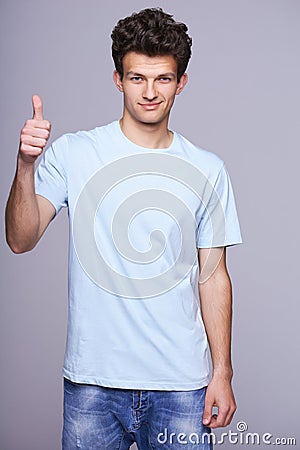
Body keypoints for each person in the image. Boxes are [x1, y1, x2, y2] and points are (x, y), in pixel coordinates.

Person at [5, 7, 242, 450]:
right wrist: (25, 167)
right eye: (137, 78)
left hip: (181, 385)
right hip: (91, 384)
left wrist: (223, 372)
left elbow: (213, 276)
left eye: (163, 79)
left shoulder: (208, 168)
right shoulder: (74, 153)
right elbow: (20, 239)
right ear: (118, 79)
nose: (150, 92)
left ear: (181, 83)